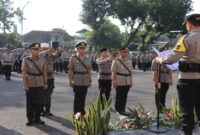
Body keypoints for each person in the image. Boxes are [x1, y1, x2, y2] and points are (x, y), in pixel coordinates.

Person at [156, 13, 200, 135]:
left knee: (187, 110)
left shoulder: (185, 39)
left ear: (189, 24)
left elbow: (172, 59)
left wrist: (160, 60)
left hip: (187, 80)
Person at [22, 43, 48, 126]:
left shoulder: (42, 59)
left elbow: (44, 72)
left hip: (40, 83)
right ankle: (30, 119)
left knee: (39, 102)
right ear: (30, 51)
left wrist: (45, 82)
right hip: (30, 84)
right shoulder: (26, 59)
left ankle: (37, 118)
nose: (37, 51)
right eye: (35, 49)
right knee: (30, 102)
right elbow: (24, 73)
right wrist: (25, 85)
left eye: (38, 49)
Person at [68, 42, 92, 115]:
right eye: (81, 48)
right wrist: (70, 81)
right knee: (77, 97)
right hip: (77, 80)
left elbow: (89, 70)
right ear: (77, 49)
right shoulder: (73, 58)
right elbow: (70, 70)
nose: (83, 50)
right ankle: (77, 113)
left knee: (83, 97)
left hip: (85, 80)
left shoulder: (87, 58)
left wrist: (90, 80)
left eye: (84, 48)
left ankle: (82, 111)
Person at [39, 43, 61, 116]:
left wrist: (58, 50)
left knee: (48, 95)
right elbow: (41, 55)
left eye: (47, 48)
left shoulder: (51, 55)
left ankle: (47, 110)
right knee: (41, 95)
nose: (46, 49)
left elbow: (57, 55)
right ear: (41, 49)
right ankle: (41, 110)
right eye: (44, 48)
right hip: (41, 78)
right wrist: (47, 51)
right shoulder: (39, 55)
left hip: (50, 77)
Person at [111, 46, 133, 115]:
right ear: (120, 53)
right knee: (119, 96)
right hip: (119, 80)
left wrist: (131, 81)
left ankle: (122, 109)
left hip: (127, 81)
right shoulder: (116, 61)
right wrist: (113, 81)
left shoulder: (129, 61)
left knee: (124, 96)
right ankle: (118, 109)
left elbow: (131, 73)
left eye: (126, 52)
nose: (126, 53)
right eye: (124, 51)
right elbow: (113, 72)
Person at [151, 45, 173, 112]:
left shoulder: (168, 60)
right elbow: (154, 71)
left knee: (164, 94)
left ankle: (163, 106)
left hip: (166, 79)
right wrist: (155, 81)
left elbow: (170, 71)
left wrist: (171, 80)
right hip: (159, 79)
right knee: (158, 94)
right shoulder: (156, 60)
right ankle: (159, 108)